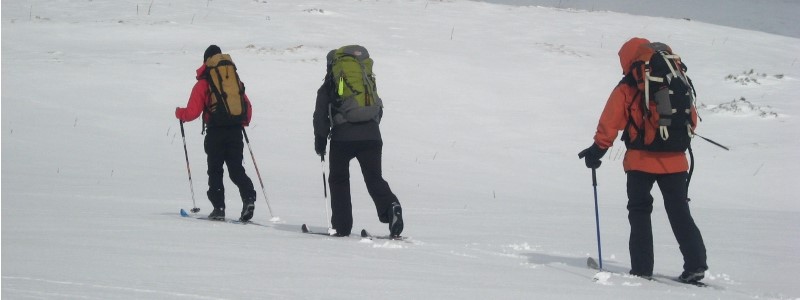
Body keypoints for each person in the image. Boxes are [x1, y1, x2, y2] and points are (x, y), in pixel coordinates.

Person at [578, 37, 708, 283]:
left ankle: (642, 270)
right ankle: (695, 265)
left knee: (639, 212)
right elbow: (691, 119)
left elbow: (610, 122)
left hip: (640, 161)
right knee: (680, 212)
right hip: (676, 160)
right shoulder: (677, 78)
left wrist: (597, 151)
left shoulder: (629, 84)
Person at [313, 46, 403, 237]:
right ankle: (391, 205)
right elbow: (378, 109)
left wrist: (320, 142)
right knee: (374, 178)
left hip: (342, 138)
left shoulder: (330, 84)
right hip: (372, 135)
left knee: (339, 180)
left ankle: (342, 226)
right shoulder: (365, 79)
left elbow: (320, 117)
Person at [175, 45, 257, 222]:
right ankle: (249, 198)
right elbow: (247, 108)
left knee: (215, 170)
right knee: (236, 170)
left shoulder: (204, 83)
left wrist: (179, 113)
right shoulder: (234, 81)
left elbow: (192, 112)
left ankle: (219, 208)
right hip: (235, 131)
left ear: (206, 61)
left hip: (215, 133)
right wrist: (241, 122)